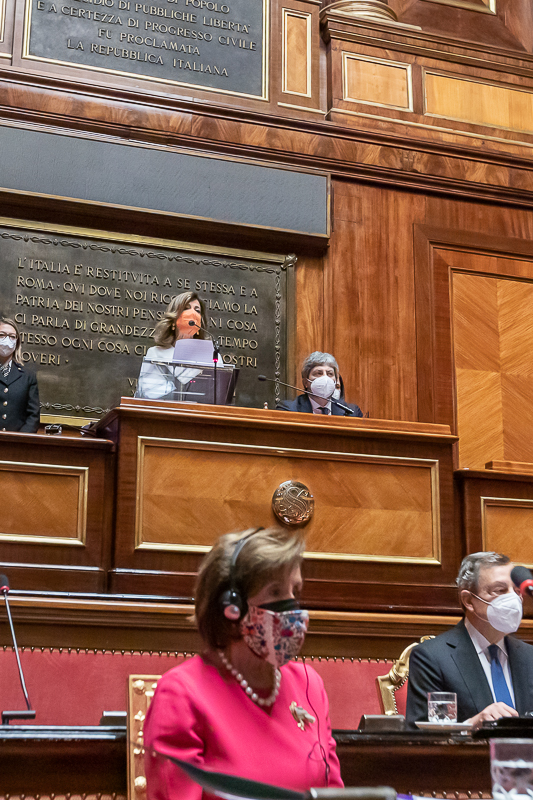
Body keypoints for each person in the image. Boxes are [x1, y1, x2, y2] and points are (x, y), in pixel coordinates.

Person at [144, 527, 343, 799]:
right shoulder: (182, 693)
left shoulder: (309, 686)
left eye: (294, 590)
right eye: (275, 591)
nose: (292, 607)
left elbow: (332, 792)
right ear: (231, 606)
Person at [406, 552, 533, 728]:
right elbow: (425, 737)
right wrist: (472, 724)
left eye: (517, 591)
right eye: (500, 590)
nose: (514, 599)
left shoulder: (530, 657)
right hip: (469, 755)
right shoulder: (435, 658)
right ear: (469, 601)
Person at [136, 292, 208, 400]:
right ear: (173, 320)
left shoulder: (212, 356)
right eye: (186, 308)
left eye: (197, 310)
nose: (192, 313)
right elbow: (151, 395)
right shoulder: (155, 354)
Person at [276, 352, 363, 416]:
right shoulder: (288, 410)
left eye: (330, 374)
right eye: (318, 373)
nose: (325, 378)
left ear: (335, 380)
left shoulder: (352, 412)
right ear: (306, 383)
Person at [0, 317, 40, 433]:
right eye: (2, 335)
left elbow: (33, 416)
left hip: (17, 445)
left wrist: (20, 441)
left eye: (12, 336)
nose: (7, 340)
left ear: (17, 341)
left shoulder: (27, 376)